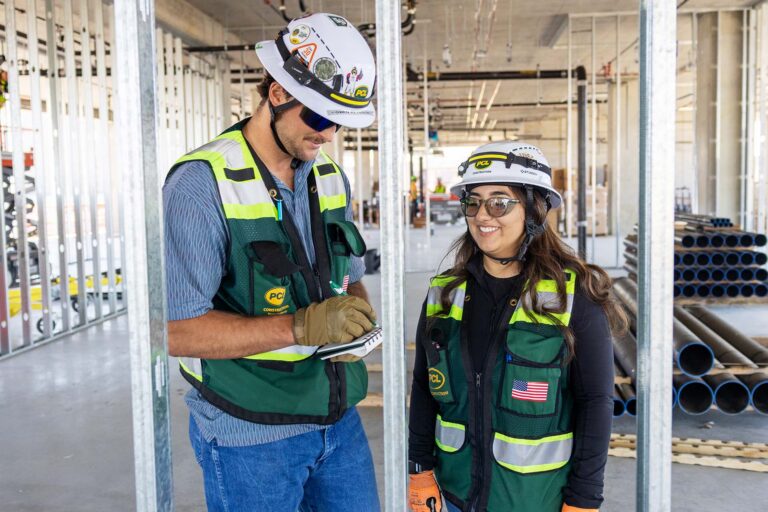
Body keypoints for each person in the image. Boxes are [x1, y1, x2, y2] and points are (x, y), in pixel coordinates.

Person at [163, 13, 381, 512]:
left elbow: (348, 276)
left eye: (340, 123)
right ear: (278, 94)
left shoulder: (327, 175)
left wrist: (355, 316)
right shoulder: (201, 184)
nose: (328, 136)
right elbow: (176, 331)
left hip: (336, 416)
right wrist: (301, 327)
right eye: (320, 118)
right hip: (251, 431)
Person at [407, 142, 626, 512]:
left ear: (535, 209)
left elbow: (595, 403)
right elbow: (424, 388)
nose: (481, 215)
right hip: (455, 496)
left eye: (499, 202)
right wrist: (419, 468)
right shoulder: (444, 295)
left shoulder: (572, 297)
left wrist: (584, 499)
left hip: (537, 501)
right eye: (473, 202)